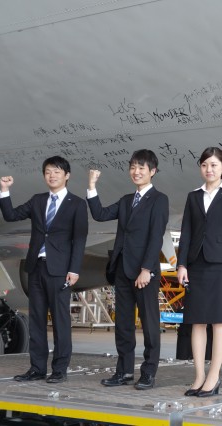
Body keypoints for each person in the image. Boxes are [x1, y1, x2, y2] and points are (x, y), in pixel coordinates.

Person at [0, 156, 88, 384]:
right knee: (36, 320)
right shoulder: (38, 200)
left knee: (60, 322)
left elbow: (79, 239)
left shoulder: (77, 204)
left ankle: (59, 369)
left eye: (57, 171)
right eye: (48, 172)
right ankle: (37, 368)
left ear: (66, 175)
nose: (52, 175)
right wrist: (4, 190)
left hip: (60, 270)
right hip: (36, 267)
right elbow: (11, 215)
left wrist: (74, 269)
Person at [88, 149, 169, 390]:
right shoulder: (126, 200)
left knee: (150, 324)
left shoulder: (159, 199)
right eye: (133, 167)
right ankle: (123, 372)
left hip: (145, 272)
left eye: (141, 168)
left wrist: (146, 269)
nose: (136, 171)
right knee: (123, 324)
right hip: (123, 269)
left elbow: (156, 237)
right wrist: (92, 186)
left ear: (152, 172)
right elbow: (100, 214)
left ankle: (148, 372)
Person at [177, 146, 222, 397]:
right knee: (196, 321)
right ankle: (199, 376)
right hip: (196, 263)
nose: (209, 169)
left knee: (219, 321)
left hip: (221, 263)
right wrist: (181, 264)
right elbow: (186, 232)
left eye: (214, 165)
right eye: (205, 165)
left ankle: (214, 376)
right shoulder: (193, 196)